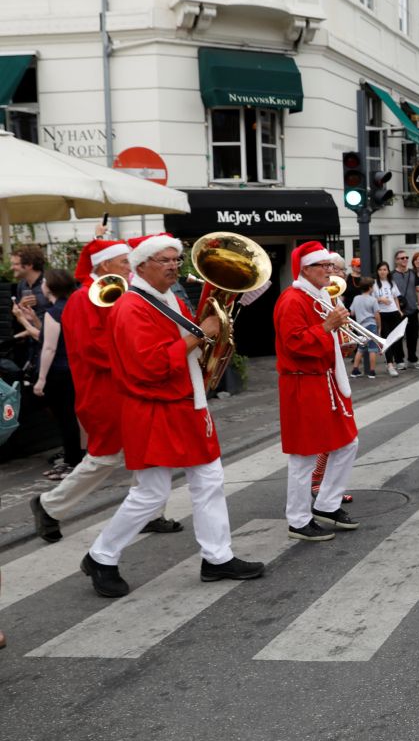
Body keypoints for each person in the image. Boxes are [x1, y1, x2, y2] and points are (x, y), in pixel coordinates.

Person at [81, 234, 264, 597]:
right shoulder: (131, 307)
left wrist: (209, 334)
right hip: (155, 409)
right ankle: (100, 556)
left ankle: (217, 556)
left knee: (209, 479)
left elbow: (180, 346)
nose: (173, 266)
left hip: (183, 403)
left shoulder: (168, 298)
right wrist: (202, 334)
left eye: (176, 260)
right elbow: (149, 365)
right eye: (164, 260)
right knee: (151, 494)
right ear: (142, 265)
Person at [29, 239, 181, 542]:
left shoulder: (119, 292)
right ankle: (49, 505)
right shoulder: (84, 298)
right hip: (104, 390)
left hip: (127, 384)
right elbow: (93, 349)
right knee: (104, 457)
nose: (130, 267)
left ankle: (151, 512)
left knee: (147, 448)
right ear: (104, 265)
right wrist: (142, 355)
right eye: (124, 261)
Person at [274, 243, 361, 543]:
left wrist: (340, 340)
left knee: (347, 442)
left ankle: (327, 504)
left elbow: (325, 337)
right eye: (322, 265)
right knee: (303, 456)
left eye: (329, 265)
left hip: (325, 380)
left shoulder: (319, 295)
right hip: (303, 384)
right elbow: (293, 344)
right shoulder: (291, 300)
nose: (329, 270)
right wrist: (327, 327)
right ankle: (298, 520)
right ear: (305, 269)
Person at [30, 269, 83, 477]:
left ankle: (71, 461)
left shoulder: (53, 312)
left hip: (58, 373)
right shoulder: (71, 307)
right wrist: (33, 320)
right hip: (74, 370)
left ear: (50, 287)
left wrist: (41, 379)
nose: (41, 284)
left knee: (65, 418)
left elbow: (49, 347)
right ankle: (75, 459)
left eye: (44, 282)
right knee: (73, 417)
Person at [372, 261, 404, 374]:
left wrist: (399, 310)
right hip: (382, 313)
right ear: (377, 271)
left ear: (388, 271)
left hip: (394, 312)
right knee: (386, 339)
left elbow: (395, 297)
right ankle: (390, 364)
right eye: (380, 269)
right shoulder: (374, 284)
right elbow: (370, 300)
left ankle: (398, 361)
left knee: (396, 338)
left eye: (385, 269)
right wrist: (381, 300)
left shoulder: (392, 283)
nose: (382, 272)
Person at [390, 250, 419, 369]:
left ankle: (412, 359)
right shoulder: (392, 275)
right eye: (402, 258)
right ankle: (399, 360)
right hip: (398, 311)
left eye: (406, 257)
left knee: (413, 336)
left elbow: (417, 289)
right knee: (398, 336)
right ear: (396, 261)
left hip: (413, 309)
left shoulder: (413, 273)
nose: (405, 260)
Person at [347, 277, 382, 378]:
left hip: (360, 327)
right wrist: (379, 327)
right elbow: (377, 315)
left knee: (361, 348)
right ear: (370, 288)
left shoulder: (356, 298)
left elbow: (352, 312)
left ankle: (355, 370)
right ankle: (371, 371)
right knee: (372, 349)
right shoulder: (373, 300)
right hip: (371, 325)